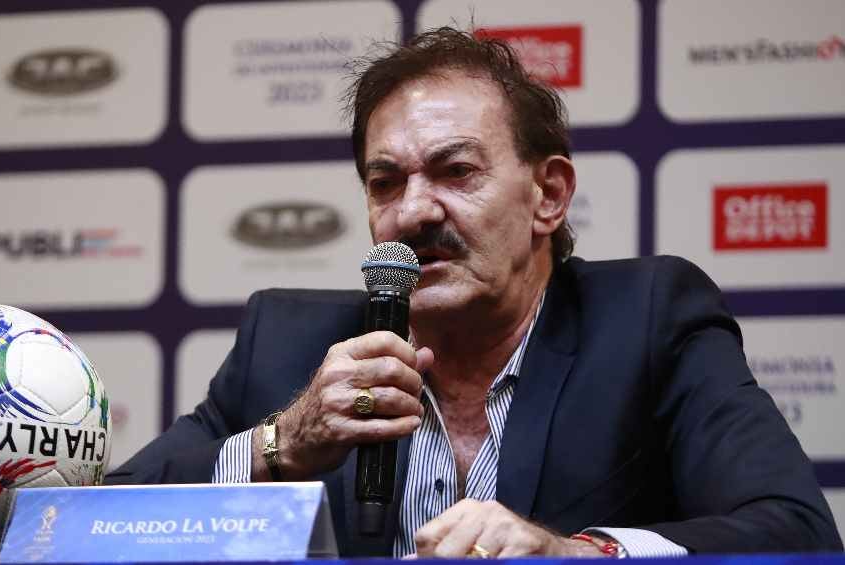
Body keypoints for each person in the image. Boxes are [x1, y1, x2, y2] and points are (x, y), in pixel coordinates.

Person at [107, 27, 841, 557]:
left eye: (456, 171)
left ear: (548, 195)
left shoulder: (649, 319)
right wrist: (282, 444)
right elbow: (97, 520)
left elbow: (795, 531)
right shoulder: (287, 340)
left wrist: (574, 553)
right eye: (385, 182)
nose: (412, 212)